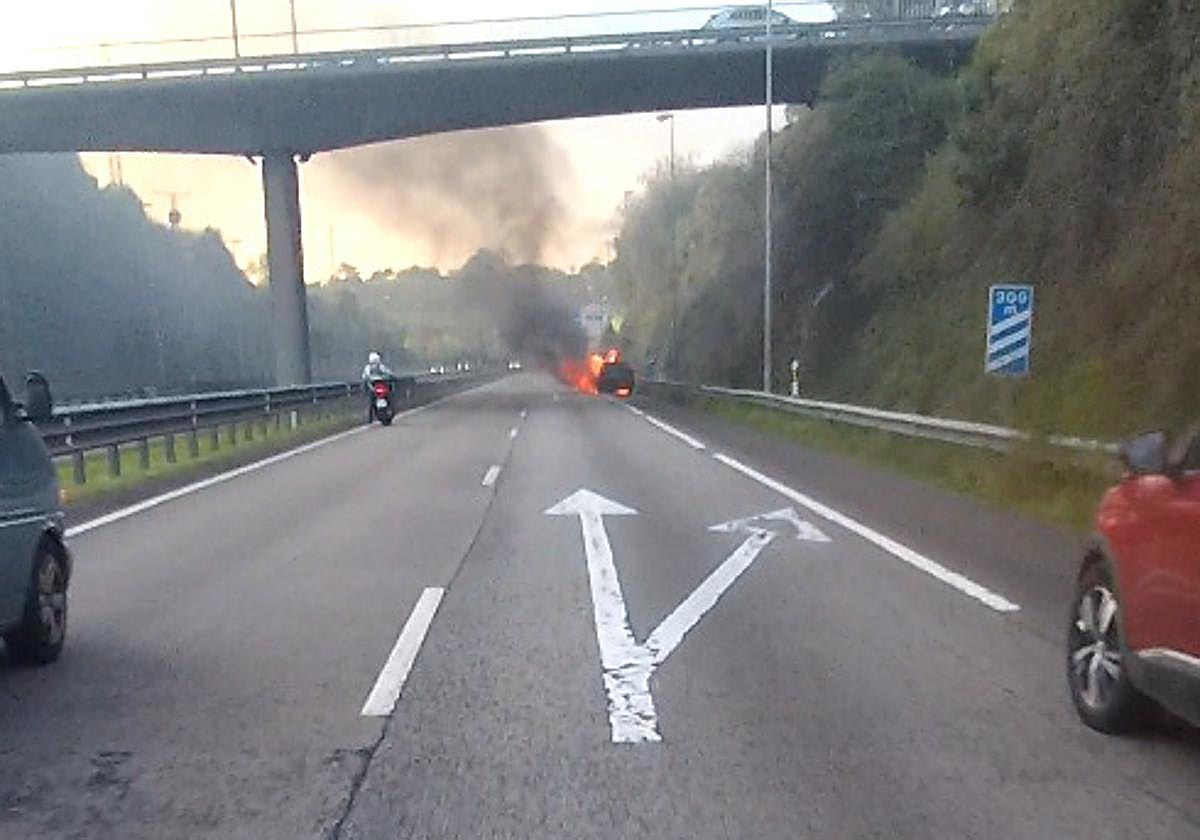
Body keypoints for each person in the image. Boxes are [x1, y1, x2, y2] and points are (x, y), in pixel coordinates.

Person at [361, 351, 395, 422]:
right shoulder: (368, 368)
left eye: (375, 361)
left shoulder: (380, 366)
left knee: (389, 396)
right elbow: (365, 376)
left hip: (381, 387)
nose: (374, 364)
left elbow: (388, 373)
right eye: (373, 361)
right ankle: (370, 416)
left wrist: (391, 377)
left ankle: (391, 409)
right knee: (370, 400)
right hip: (373, 388)